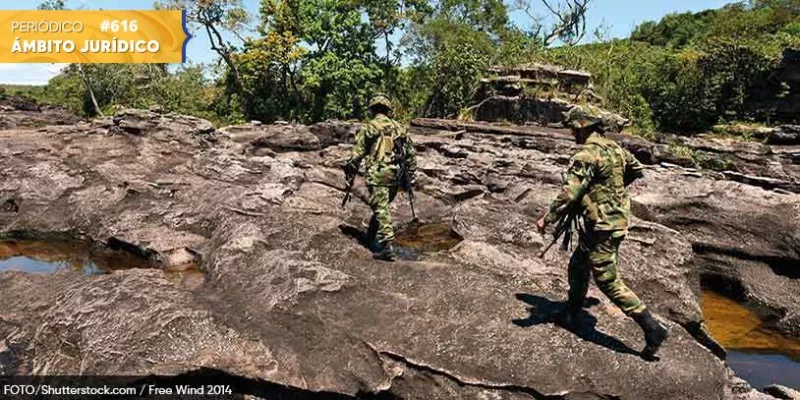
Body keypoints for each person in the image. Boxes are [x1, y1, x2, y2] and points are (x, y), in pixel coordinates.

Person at [536, 105, 669, 361]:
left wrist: (547, 218)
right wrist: (611, 193)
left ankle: (652, 329)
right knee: (578, 265)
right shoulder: (615, 148)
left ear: (584, 125)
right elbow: (636, 170)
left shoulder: (586, 155)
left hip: (603, 226)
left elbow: (570, 193)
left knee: (608, 280)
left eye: (574, 126)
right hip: (611, 221)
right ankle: (572, 314)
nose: (571, 131)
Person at [345, 94, 416, 261]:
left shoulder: (370, 127)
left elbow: (356, 155)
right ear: (387, 109)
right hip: (396, 175)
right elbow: (411, 154)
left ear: (373, 109)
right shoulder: (398, 127)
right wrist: (411, 176)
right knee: (381, 205)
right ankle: (371, 236)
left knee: (381, 208)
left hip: (378, 174)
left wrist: (349, 174)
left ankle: (386, 247)